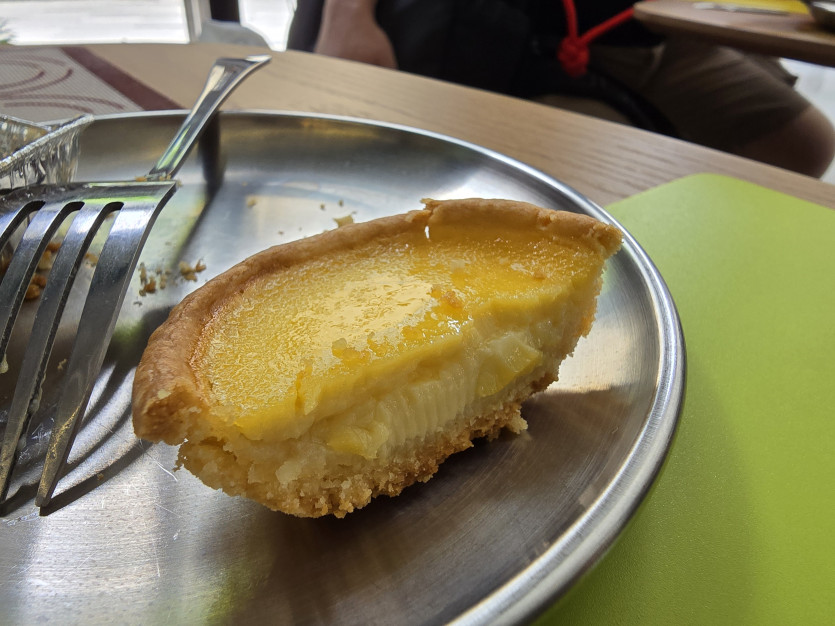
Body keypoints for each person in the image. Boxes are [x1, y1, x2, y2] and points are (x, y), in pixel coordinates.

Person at [287, 0, 835, 178]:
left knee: (808, 144)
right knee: (595, 187)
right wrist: (348, 14)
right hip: (532, 40)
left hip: (656, 26)